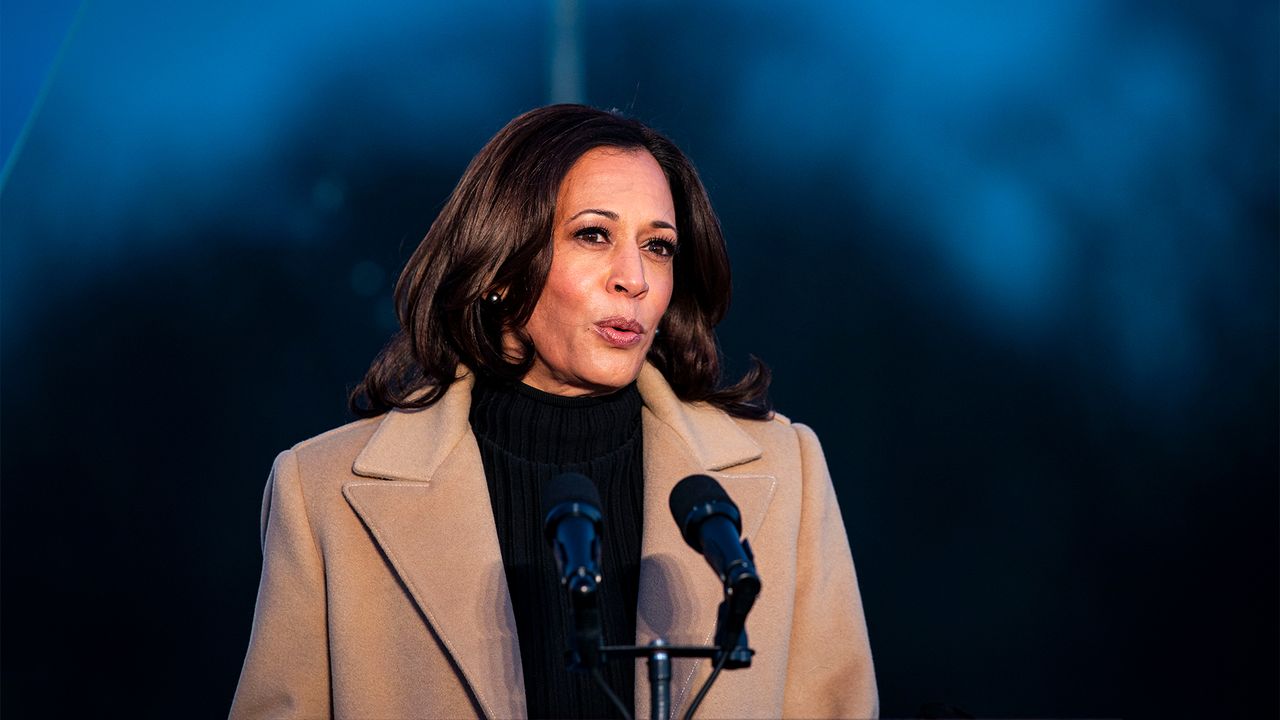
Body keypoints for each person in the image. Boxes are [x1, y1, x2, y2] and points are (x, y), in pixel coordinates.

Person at [230, 104, 877, 719]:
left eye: (658, 246)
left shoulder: (788, 472)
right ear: (501, 266)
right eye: (594, 235)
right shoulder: (320, 493)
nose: (635, 278)